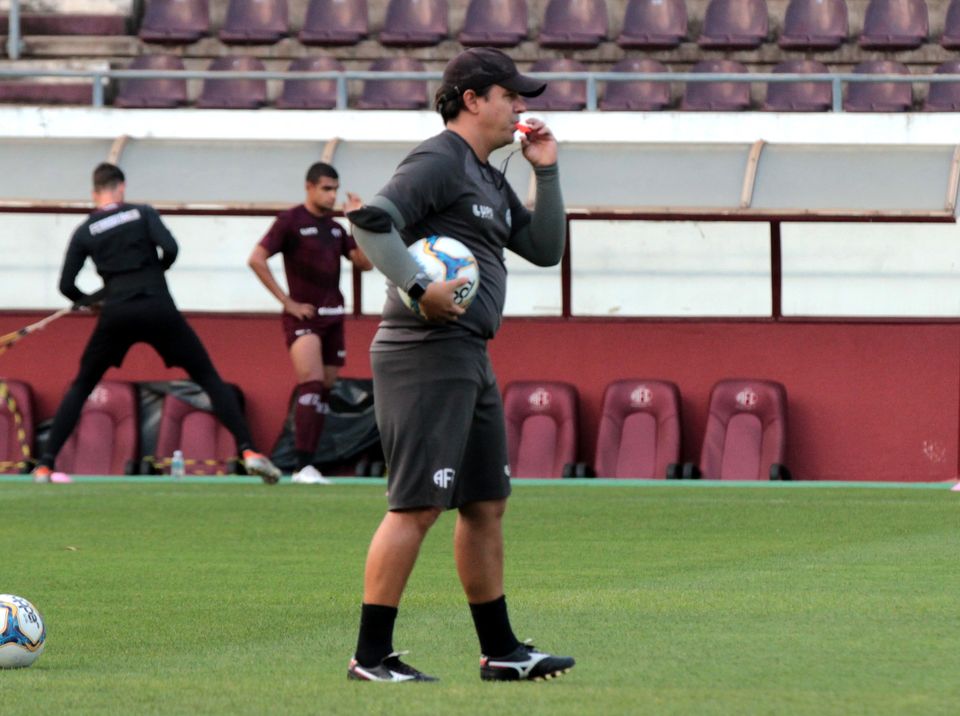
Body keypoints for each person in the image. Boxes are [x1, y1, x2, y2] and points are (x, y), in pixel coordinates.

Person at [344, 47, 575, 682]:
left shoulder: (490, 176)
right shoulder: (438, 159)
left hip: (468, 354)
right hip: (423, 352)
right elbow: (371, 224)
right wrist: (420, 287)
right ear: (473, 100)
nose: (521, 106)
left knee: (484, 503)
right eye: (511, 95)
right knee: (416, 505)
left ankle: (500, 651)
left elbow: (545, 248)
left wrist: (547, 172)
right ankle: (369, 657)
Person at [32, 162, 281, 485]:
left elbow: (66, 285)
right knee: (207, 376)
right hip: (157, 305)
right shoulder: (143, 213)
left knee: (82, 385)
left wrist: (92, 301)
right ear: (121, 187)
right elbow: (172, 249)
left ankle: (45, 466)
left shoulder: (85, 231)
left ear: (95, 193)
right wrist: (153, 272)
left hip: (116, 311)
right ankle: (249, 451)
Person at [248, 162, 372, 485]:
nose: (332, 195)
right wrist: (287, 301)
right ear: (310, 187)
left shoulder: (335, 228)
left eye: (335, 189)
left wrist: (356, 221)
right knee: (312, 383)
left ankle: (308, 465)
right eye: (326, 188)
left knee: (324, 390)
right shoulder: (291, 221)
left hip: (334, 318)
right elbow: (256, 259)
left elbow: (365, 263)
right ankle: (301, 466)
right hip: (303, 318)